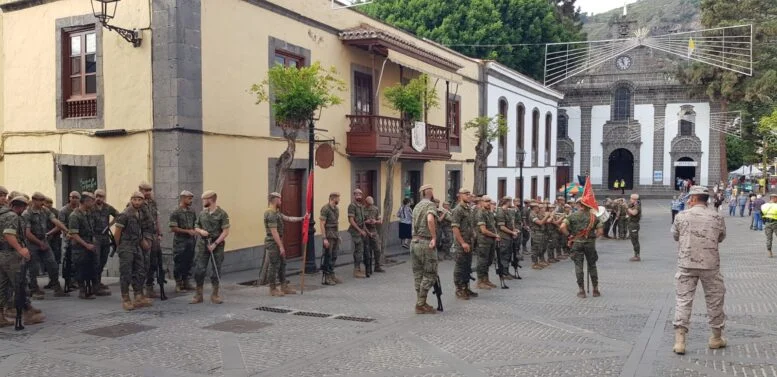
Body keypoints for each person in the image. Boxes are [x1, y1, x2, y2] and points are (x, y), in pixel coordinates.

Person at [670, 186, 727, 354]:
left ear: (693, 199)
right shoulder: (717, 216)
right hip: (710, 264)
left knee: (683, 301)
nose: (688, 201)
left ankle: (680, 341)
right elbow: (721, 237)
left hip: (686, 263)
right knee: (715, 300)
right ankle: (716, 338)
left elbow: (675, 235)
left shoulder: (681, 216)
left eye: (689, 198)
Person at [0, 196, 45, 327]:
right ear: (20, 207)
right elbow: (9, 234)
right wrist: (21, 249)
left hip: (1, 254)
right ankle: (28, 313)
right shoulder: (12, 216)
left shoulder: (1, 215)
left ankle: (1, 316)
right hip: (11, 255)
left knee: (2, 286)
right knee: (20, 283)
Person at [22, 192, 69, 298]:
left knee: (52, 264)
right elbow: (27, 233)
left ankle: (56, 287)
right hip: (32, 243)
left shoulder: (45, 210)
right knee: (33, 268)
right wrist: (40, 243)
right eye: (40, 200)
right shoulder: (27, 214)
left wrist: (66, 230)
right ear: (34, 200)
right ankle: (34, 290)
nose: (43, 202)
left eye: (43, 200)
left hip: (43, 241)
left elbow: (55, 220)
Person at [191, 190, 230, 304]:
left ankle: (215, 294)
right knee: (199, 269)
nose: (203, 201)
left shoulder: (222, 214)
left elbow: (225, 231)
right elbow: (196, 225)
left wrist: (215, 244)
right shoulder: (203, 213)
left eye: (204, 199)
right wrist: (200, 231)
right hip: (203, 244)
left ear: (211, 200)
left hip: (217, 245)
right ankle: (198, 294)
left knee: (216, 270)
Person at [560, 196, 604, 298]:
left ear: (579, 205)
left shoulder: (572, 216)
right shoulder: (594, 217)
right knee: (592, 265)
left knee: (578, 266)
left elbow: (562, 227)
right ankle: (595, 290)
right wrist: (593, 237)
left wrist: (569, 235)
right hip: (590, 244)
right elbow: (600, 232)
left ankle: (581, 290)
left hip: (577, 243)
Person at [114, 192, 151, 311]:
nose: (137, 202)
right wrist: (119, 247)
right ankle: (126, 299)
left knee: (140, 270)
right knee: (126, 273)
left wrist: (142, 241)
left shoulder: (140, 213)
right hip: (126, 246)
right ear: (131, 200)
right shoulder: (125, 214)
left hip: (136, 245)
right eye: (135, 199)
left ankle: (138, 296)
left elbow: (138, 230)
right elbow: (117, 233)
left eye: (140, 200)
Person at [263, 192, 304, 297]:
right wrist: (281, 246)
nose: (281, 201)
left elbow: (289, 218)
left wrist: (303, 218)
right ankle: (272, 288)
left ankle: (283, 286)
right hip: (273, 242)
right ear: (275, 200)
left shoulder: (276, 212)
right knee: (274, 265)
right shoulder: (270, 213)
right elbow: (274, 232)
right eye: (280, 199)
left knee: (282, 264)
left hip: (278, 241)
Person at [410, 184, 439, 314]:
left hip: (414, 241)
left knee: (418, 275)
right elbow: (430, 219)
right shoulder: (430, 205)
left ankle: (421, 302)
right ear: (430, 194)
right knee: (430, 274)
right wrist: (434, 237)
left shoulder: (416, 206)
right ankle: (420, 304)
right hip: (425, 242)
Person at [68, 192, 99, 300]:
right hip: (80, 247)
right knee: (81, 269)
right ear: (85, 202)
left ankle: (90, 289)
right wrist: (86, 245)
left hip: (89, 245)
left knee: (91, 268)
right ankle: (83, 291)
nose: (93, 203)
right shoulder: (75, 215)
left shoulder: (88, 213)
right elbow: (74, 234)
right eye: (91, 201)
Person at [91, 189, 120, 296]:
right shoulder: (90, 207)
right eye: (97, 196)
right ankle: (94, 285)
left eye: (101, 196)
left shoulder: (107, 207)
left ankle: (98, 281)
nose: (99, 198)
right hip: (94, 237)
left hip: (105, 237)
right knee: (96, 261)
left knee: (103, 260)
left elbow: (118, 215)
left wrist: (110, 225)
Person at [169, 190, 197, 292]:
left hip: (190, 241)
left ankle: (187, 281)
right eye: (189, 198)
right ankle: (178, 283)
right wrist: (187, 231)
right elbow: (173, 228)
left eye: (191, 198)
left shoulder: (192, 211)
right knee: (179, 262)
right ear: (183, 198)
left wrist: (195, 230)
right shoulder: (176, 212)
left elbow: (195, 223)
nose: (191, 201)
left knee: (189, 261)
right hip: (180, 242)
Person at [138, 182, 162, 299]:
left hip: (153, 235)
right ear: (140, 190)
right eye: (145, 190)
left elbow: (156, 219)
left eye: (149, 190)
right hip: (143, 236)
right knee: (143, 263)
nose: (148, 193)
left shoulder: (152, 203)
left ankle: (149, 287)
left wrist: (159, 233)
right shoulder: (137, 203)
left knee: (154, 261)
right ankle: (139, 289)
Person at [451, 188, 476, 300]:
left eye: (469, 194)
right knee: (460, 266)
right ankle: (459, 289)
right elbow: (455, 228)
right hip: (462, 243)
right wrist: (462, 243)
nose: (469, 196)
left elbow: (469, 224)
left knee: (467, 266)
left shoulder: (468, 209)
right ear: (460, 195)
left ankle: (466, 287)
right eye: (466, 194)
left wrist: (473, 233)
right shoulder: (458, 209)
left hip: (469, 242)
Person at [475, 196, 499, 288]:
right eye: (486, 201)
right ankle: (480, 281)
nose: (488, 203)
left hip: (490, 241)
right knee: (482, 262)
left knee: (488, 261)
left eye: (489, 201)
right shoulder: (480, 213)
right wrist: (495, 235)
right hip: (483, 241)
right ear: (481, 202)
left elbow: (492, 226)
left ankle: (486, 279)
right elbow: (483, 230)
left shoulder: (489, 213)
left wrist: (495, 235)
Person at [59, 191, 81, 292]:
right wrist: (67, 232)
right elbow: (61, 224)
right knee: (67, 261)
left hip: (78, 238)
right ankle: (68, 282)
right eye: (73, 197)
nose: (74, 199)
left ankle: (75, 280)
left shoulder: (80, 210)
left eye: (76, 197)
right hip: (68, 239)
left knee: (77, 261)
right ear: (69, 198)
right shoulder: (64, 210)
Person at [320, 192, 341, 285]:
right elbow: (322, 224)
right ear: (333, 198)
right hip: (328, 234)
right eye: (338, 198)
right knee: (328, 256)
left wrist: (338, 235)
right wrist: (324, 238)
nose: (339, 200)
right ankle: (326, 277)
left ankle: (332, 274)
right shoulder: (325, 209)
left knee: (334, 255)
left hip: (335, 234)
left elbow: (336, 223)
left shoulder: (336, 209)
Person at [495, 197, 517, 280]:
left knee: (508, 255)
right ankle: (503, 273)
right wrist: (512, 232)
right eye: (510, 201)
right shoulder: (501, 212)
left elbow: (510, 223)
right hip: (504, 237)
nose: (511, 203)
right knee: (503, 256)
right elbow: (502, 227)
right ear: (507, 202)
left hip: (509, 237)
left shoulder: (507, 211)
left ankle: (506, 272)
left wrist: (514, 230)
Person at [348, 189, 367, 278]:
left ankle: (358, 268)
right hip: (355, 231)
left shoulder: (361, 206)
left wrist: (366, 231)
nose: (359, 195)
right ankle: (356, 270)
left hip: (361, 230)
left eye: (360, 194)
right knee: (359, 250)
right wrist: (360, 231)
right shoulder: (352, 206)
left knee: (360, 250)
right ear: (354, 195)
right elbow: (351, 220)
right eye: (357, 194)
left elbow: (362, 221)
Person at [364, 196, 384, 272]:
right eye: (369, 204)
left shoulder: (375, 209)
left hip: (373, 230)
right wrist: (366, 221)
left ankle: (377, 266)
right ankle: (368, 268)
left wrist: (375, 221)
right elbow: (359, 222)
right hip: (365, 231)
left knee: (377, 249)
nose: (371, 206)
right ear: (366, 203)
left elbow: (380, 220)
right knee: (367, 251)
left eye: (372, 204)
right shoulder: (362, 209)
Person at [761, 193, 777, 258]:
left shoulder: (764, 205)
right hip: (775, 223)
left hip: (767, 223)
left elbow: (761, 214)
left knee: (769, 238)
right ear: (774, 198)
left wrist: (764, 222)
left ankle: (769, 252)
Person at [627, 194, 642, 261]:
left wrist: (627, 208)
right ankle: (636, 254)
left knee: (635, 241)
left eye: (631, 199)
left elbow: (634, 213)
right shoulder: (633, 205)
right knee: (633, 240)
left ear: (634, 199)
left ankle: (637, 255)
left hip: (634, 225)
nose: (630, 200)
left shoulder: (637, 206)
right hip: (632, 224)